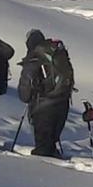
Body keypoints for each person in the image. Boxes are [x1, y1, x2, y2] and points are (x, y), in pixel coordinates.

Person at [18, 29, 74, 158]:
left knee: (43, 148)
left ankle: (45, 170)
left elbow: (26, 87)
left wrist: (26, 96)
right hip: (62, 101)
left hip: (43, 105)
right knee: (50, 140)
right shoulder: (57, 54)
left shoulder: (34, 58)